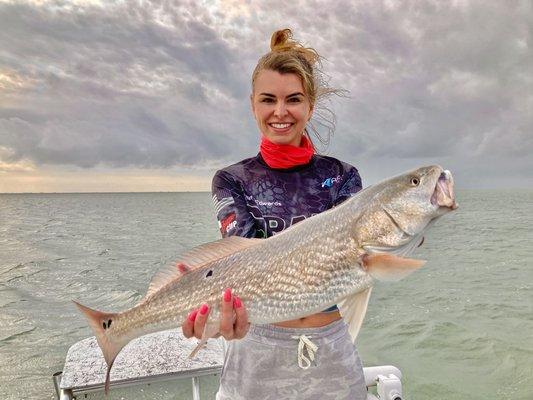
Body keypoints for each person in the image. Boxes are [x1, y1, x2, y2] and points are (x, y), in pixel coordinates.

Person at [182, 28, 367, 400]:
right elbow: (247, 256)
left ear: (310, 106)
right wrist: (206, 290)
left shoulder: (342, 177)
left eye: (293, 100)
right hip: (256, 349)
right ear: (253, 105)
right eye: (268, 100)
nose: (280, 112)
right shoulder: (232, 179)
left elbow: (351, 258)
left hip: (330, 349)